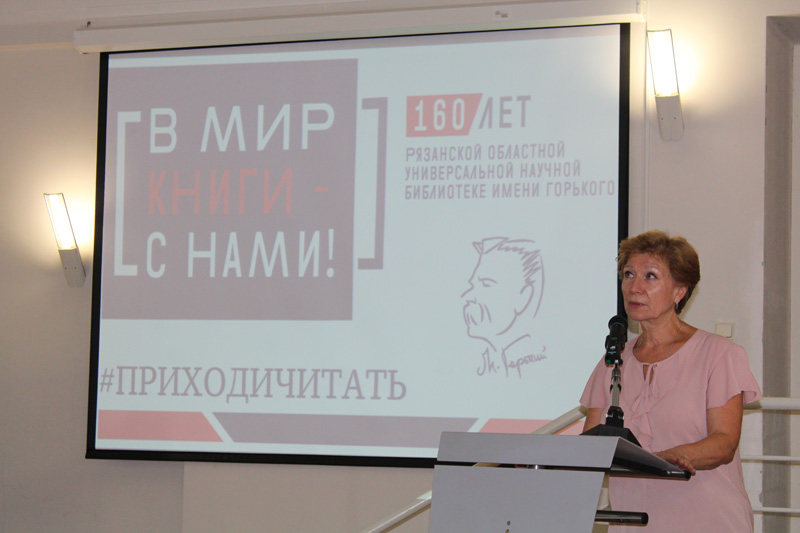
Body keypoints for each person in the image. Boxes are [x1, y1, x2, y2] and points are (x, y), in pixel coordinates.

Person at [580, 230, 762, 531]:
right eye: (628, 274)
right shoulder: (613, 361)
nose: (634, 287)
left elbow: (724, 442)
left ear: (680, 291)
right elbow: (589, 448)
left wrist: (673, 457)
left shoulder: (718, 354)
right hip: (634, 522)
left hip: (707, 520)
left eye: (650, 276)